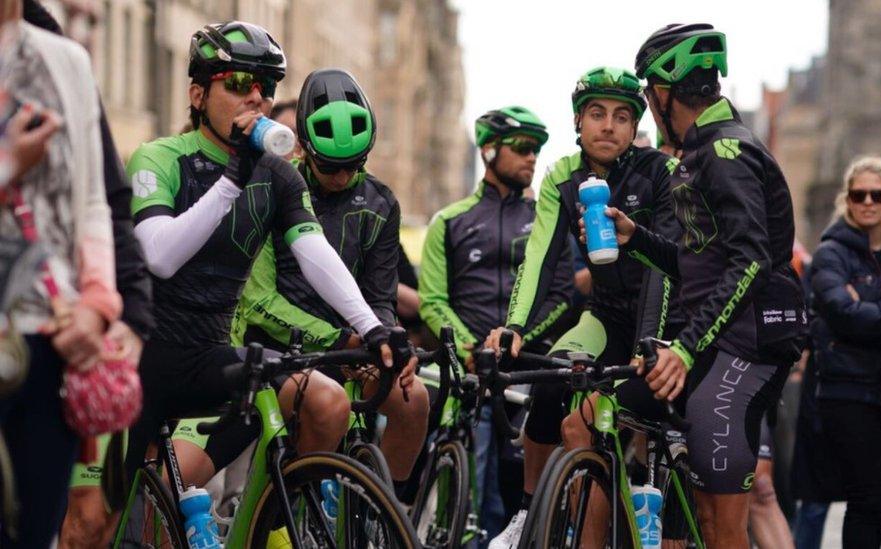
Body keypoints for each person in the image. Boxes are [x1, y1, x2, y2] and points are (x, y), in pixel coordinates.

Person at [122, 20, 414, 493]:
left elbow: (314, 253)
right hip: (140, 360)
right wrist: (232, 180)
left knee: (327, 400)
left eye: (267, 86)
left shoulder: (278, 176)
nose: (256, 97)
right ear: (197, 95)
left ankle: (271, 521)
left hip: (212, 357)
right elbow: (159, 256)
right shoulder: (159, 157)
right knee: (94, 526)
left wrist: (372, 327)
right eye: (237, 83)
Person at [594, 24, 805, 548]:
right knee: (704, 520)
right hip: (720, 341)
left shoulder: (726, 152)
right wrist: (635, 238)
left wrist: (685, 349)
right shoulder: (700, 149)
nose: (647, 102)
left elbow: (752, 261)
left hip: (747, 345)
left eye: (646, 92)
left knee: (723, 524)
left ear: (664, 93)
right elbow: (698, 264)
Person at [483, 68, 680, 549]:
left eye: (620, 116)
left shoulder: (661, 172)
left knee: (610, 426)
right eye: (596, 114)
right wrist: (514, 326)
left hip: (667, 323)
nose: (608, 126)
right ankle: (528, 514)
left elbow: (666, 268)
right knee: (553, 385)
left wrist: (650, 341)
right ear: (578, 121)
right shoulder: (562, 176)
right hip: (606, 315)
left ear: (634, 128)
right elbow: (539, 258)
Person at [231, 68, 428, 502]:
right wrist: (345, 336)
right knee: (323, 408)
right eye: (328, 166)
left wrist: (386, 342)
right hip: (283, 345)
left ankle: (385, 512)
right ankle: (290, 506)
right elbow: (260, 300)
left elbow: (380, 295)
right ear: (302, 145)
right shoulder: (273, 186)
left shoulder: (382, 201)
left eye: (352, 167)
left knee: (414, 402)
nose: (340, 177)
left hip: (354, 342)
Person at [418, 105, 573, 543]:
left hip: (526, 373)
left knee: (517, 496)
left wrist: (519, 340)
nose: (532, 158)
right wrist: (472, 347)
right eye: (522, 148)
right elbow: (432, 300)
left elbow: (562, 295)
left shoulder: (545, 222)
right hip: (470, 372)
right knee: (467, 499)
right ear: (488, 151)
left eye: (537, 149)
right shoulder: (448, 222)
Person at [0, 2, 122, 546]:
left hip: (53, 338)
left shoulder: (66, 60)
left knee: (37, 533)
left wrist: (97, 304)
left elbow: (93, 202)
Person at [808, 156, 881, 548]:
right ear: (848, 200)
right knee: (866, 499)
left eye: (878, 194)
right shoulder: (831, 253)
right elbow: (845, 315)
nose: (868, 202)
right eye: (859, 194)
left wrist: (874, 319)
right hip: (847, 393)